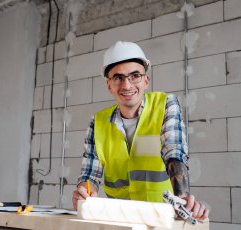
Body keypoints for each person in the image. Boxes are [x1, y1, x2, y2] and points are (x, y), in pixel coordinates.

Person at [72, 41, 209, 220]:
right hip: (120, 219)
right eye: (118, 78)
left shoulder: (166, 105)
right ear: (109, 86)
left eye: (134, 76)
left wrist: (182, 197)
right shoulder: (98, 122)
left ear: (146, 80)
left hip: (162, 217)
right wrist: (83, 191)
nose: (127, 85)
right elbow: (90, 174)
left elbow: (174, 152)